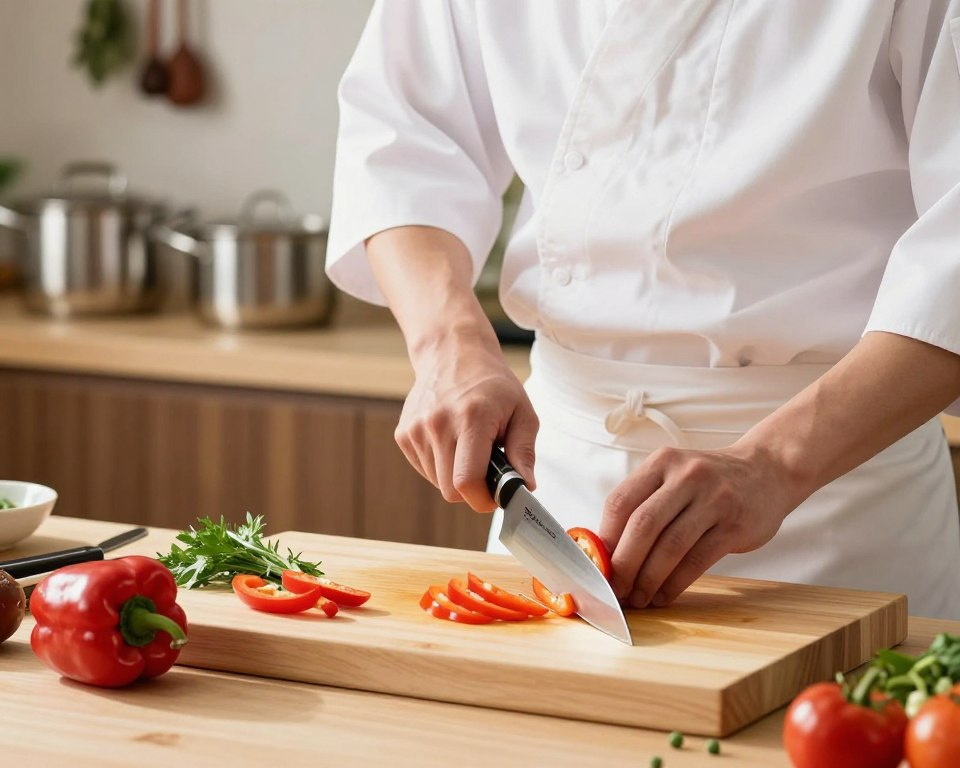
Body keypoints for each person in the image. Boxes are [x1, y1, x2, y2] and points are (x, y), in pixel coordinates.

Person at [326, 1, 960, 619]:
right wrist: (449, 348)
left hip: (836, 508)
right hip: (560, 484)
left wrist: (772, 466)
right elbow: (404, 131)